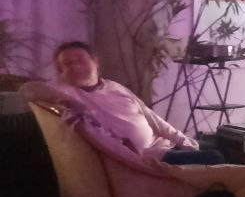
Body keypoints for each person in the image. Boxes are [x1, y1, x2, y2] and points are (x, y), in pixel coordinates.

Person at [21, 41, 222, 165]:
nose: (74, 66)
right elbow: (27, 89)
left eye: (80, 59)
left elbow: (152, 118)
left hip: (165, 145)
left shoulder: (114, 86)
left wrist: (185, 142)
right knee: (216, 157)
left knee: (225, 144)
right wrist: (62, 99)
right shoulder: (66, 92)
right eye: (67, 64)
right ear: (61, 72)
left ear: (95, 62)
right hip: (150, 157)